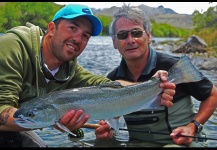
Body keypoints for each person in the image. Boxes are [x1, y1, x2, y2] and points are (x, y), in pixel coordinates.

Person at [0, 4, 176, 147]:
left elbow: (107, 85)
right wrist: (52, 120)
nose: (78, 39)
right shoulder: (11, 47)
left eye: (85, 35)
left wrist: (154, 85)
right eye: (73, 28)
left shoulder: (69, 69)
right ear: (52, 28)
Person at [94, 4, 217, 147]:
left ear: (149, 36)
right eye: (122, 35)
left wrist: (193, 127)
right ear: (114, 43)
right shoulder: (113, 79)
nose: (130, 40)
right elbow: (113, 118)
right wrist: (107, 133)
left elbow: (213, 95)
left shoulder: (175, 67)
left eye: (136, 33)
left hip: (180, 144)